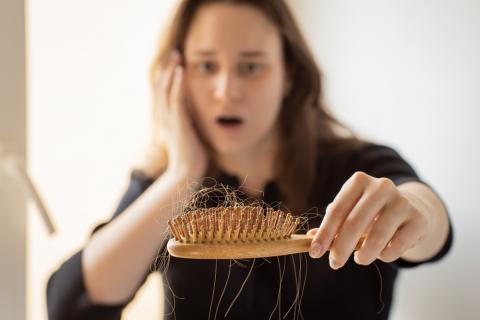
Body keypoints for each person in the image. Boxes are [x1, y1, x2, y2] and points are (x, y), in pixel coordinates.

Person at [46, 0, 453, 319]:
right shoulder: (161, 185)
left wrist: (418, 213)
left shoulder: (358, 165)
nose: (226, 90)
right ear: (177, 76)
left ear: (288, 74)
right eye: (207, 66)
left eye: (251, 66)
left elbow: (428, 226)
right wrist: (182, 174)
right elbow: (71, 306)